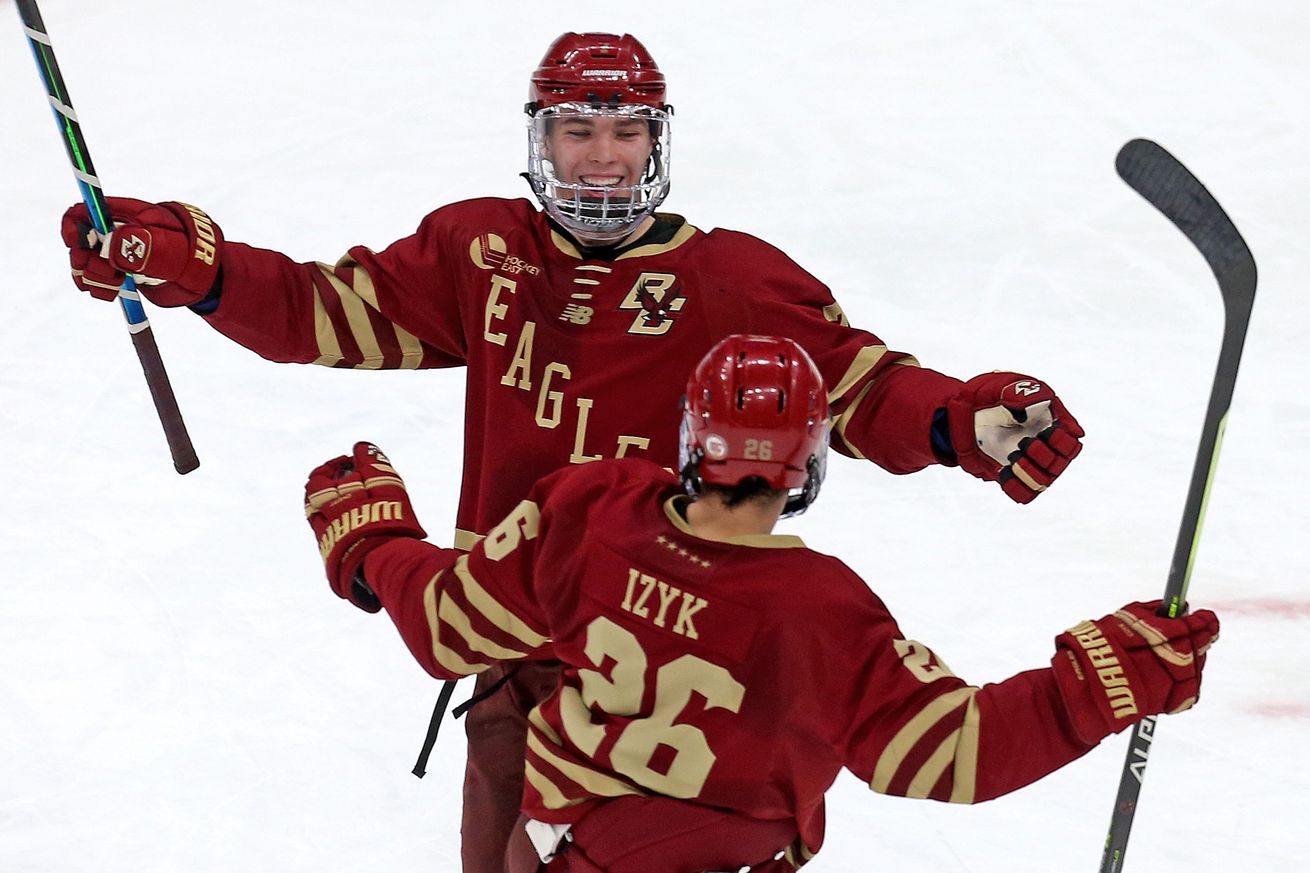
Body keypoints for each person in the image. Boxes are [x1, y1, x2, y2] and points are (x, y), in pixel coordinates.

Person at [60, 33, 1086, 873]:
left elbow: (854, 387)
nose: (602, 159)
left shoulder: (728, 279)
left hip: (668, 663)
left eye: (626, 133)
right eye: (577, 132)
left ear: (658, 143)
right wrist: (199, 268)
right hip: (512, 658)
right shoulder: (482, 253)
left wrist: (961, 422)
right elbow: (324, 311)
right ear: (539, 141)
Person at [303, 335, 1216, 873]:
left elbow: (448, 625)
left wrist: (372, 542)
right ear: (810, 458)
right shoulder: (819, 610)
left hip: (550, 852)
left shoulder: (592, 506)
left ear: (694, 435)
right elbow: (954, 754)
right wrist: (1103, 680)